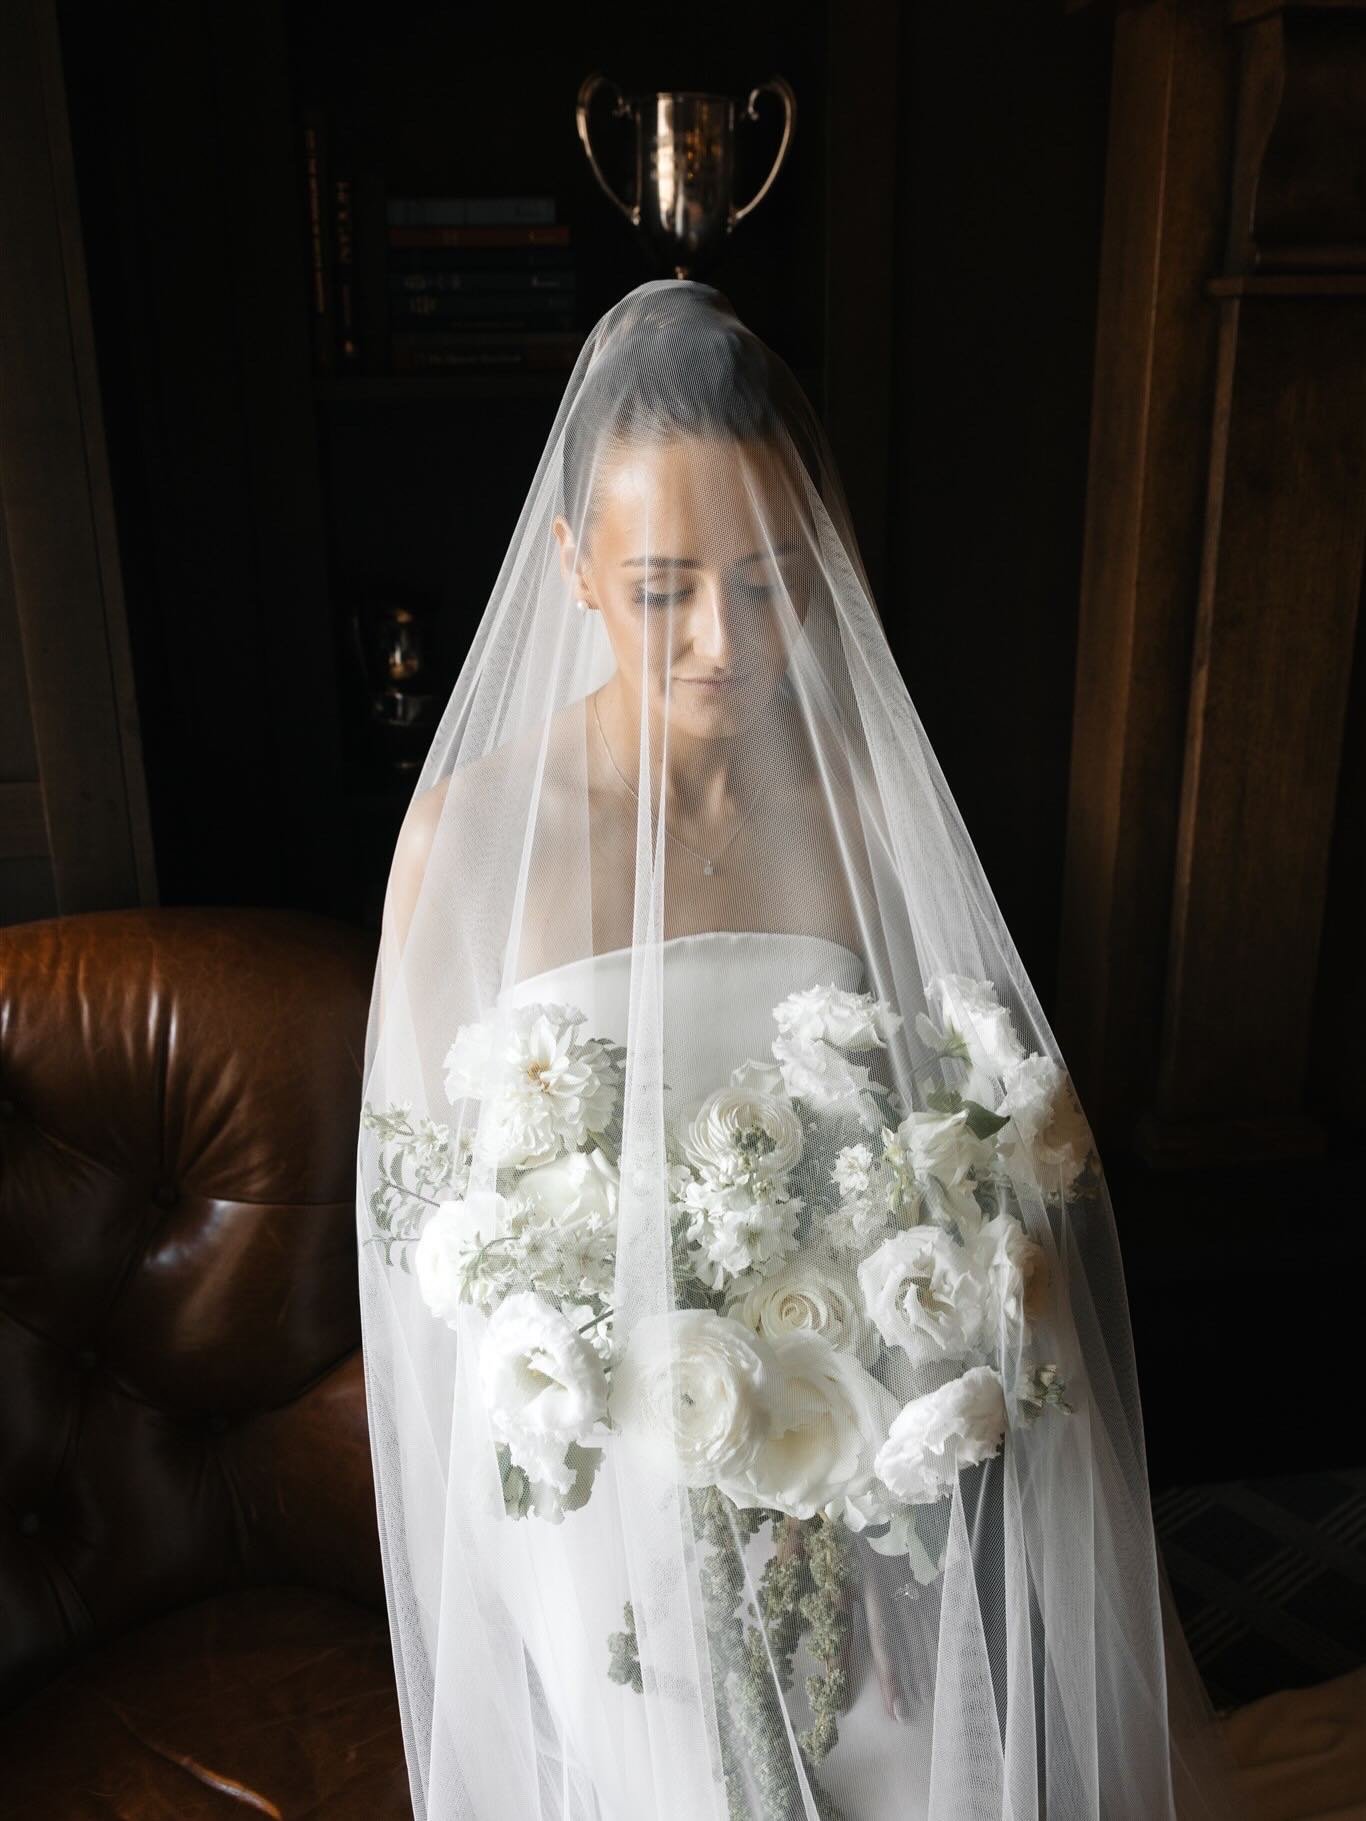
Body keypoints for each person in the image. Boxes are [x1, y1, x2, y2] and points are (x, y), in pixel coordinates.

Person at [357, 278, 1240, 1819]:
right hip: (607, 1480)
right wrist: (627, 1436)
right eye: (664, 590)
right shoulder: (474, 835)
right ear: (571, 565)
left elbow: (951, 1150)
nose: (726, 640)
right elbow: (428, 1221)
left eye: (771, 582)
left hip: (853, 1448)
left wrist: (878, 1467)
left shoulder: (859, 806)